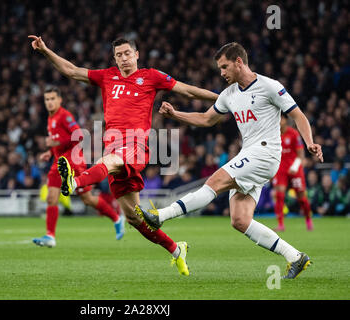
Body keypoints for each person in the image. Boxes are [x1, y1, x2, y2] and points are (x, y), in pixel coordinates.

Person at [28, 35, 218, 275]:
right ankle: (176, 249)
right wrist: (45, 50)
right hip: (113, 147)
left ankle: (74, 182)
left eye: (127, 53)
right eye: (119, 55)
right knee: (135, 218)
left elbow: (187, 91)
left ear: (137, 54)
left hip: (135, 146)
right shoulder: (107, 76)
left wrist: (220, 98)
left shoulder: (151, 76)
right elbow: (72, 71)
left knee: (108, 161)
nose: (124, 58)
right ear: (114, 58)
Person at [136, 42, 324, 279]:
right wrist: (176, 114)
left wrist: (309, 142)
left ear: (239, 62)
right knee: (239, 220)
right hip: (250, 155)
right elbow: (206, 119)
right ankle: (295, 257)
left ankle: (161, 216)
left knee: (215, 181)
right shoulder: (229, 95)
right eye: (219, 68)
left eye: (224, 67)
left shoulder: (269, 86)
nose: (222, 73)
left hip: (265, 153)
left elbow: (298, 115)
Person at [32, 86, 125, 248]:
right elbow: (57, 140)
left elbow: (79, 135)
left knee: (88, 199)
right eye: (47, 99)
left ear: (60, 100)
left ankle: (116, 218)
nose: (50, 102)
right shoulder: (50, 118)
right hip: (57, 162)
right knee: (51, 198)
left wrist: (57, 143)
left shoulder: (64, 116)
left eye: (53, 98)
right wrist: (50, 151)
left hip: (73, 161)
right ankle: (50, 236)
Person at [271, 115, 314, 231]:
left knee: (301, 197)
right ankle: (280, 224)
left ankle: (308, 220)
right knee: (279, 195)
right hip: (280, 169)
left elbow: (301, 155)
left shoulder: (294, 134)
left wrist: (295, 166)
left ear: (286, 120)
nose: (279, 121)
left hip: (295, 169)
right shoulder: (272, 134)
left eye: (281, 119)